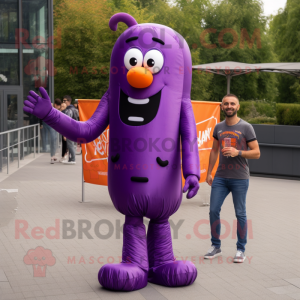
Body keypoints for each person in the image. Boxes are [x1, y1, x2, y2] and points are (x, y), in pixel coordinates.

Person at [204, 94, 260, 263]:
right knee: (213, 210)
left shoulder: (246, 127)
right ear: (222, 107)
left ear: (238, 106)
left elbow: (257, 153)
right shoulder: (218, 127)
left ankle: (241, 249)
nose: (229, 106)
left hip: (240, 178)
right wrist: (209, 173)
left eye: (232, 104)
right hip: (221, 177)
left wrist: (239, 152)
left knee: (240, 213)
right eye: (226, 104)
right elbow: (214, 150)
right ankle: (216, 246)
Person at [61, 95, 79, 164]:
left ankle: (72, 159)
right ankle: (71, 159)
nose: (63, 102)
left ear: (69, 101)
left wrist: (65, 132)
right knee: (71, 144)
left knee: (70, 144)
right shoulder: (74, 109)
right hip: (74, 129)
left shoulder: (69, 110)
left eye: (65, 100)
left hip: (70, 129)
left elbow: (67, 121)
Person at [49, 98, 62, 164]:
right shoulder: (52, 110)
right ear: (56, 105)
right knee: (53, 140)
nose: (59, 107)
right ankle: (52, 156)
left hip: (56, 127)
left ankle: (54, 155)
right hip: (52, 127)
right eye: (59, 106)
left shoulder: (56, 110)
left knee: (56, 140)